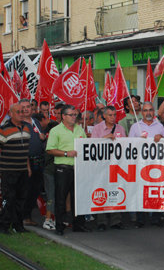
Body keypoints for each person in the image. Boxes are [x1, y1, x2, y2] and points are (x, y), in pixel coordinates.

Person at [46, 105, 90, 235]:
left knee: (78, 198)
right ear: (63, 116)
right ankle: (59, 226)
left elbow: (86, 145)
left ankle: (78, 224)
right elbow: (50, 149)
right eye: (71, 115)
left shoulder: (79, 130)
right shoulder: (56, 131)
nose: (73, 117)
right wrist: (66, 153)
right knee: (61, 198)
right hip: (63, 168)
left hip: (78, 168)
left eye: (75, 115)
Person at [129, 102, 164, 227]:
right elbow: (128, 145)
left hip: (156, 163)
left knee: (156, 190)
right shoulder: (135, 127)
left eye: (150, 110)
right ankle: (140, 219)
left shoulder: (160, 126)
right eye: (145, 110)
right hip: (140, 163)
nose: (148, 113)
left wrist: (161, 137)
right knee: (140, 190)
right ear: (141, 112)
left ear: (154, 112)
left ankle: (156, 218)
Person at [92, 106, 127, 231]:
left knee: (116, 191)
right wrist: (104, 139)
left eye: (114, 115)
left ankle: (116, 220)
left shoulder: (120, 128)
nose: (113, 117)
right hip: (101, 166)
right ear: (104, 116)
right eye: (110, 115)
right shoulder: (97, 129)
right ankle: (101, 221)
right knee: (101, 190)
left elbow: (126, 146)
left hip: (116, 165)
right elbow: (92, 146)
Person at [0, 104, 31, 234]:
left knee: (21, 198)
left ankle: (18, 225)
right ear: (11, 114)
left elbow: (26, 151)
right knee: (9, 198)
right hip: (8, 170)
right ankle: (4, 226)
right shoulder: (4, 130)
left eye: (22, 112)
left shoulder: (27, 128)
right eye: (18, 112)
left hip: (23, 169)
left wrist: (28, 167)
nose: (22, 114)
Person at [19, 99, 46, 227]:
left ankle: (27, 215)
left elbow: (39, 137)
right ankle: (22, 217)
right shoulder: (19, 123)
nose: (26, 109)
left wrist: (43, 137)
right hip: (26, 160)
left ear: (32, 108)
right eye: (23, 107)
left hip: (38, 159)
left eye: (28, 107)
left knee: (35, 189)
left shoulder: (35, 121)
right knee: (26, 189)